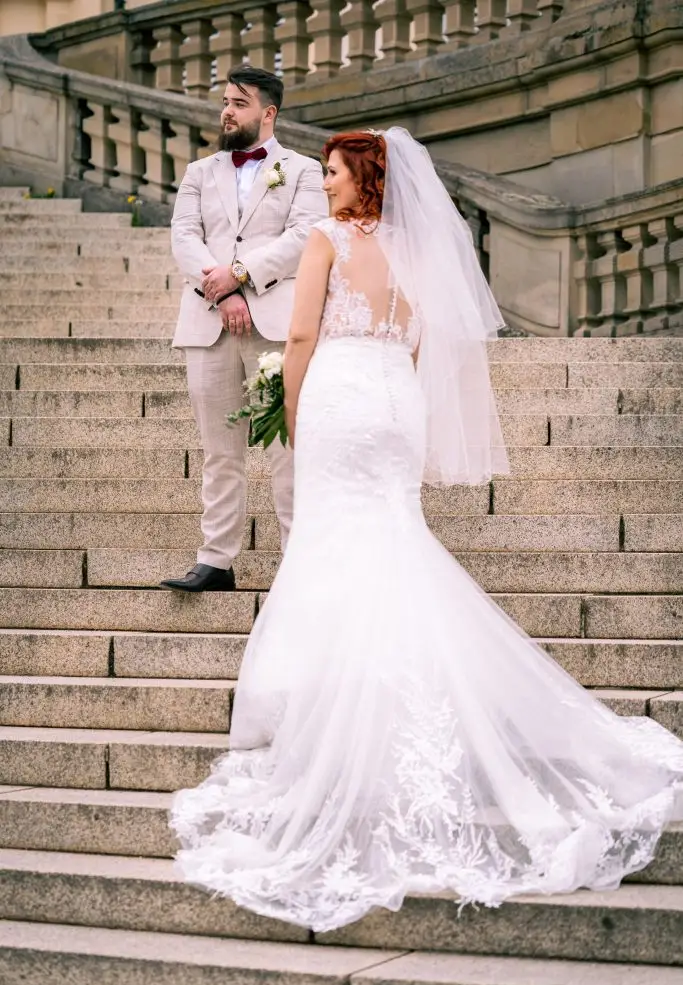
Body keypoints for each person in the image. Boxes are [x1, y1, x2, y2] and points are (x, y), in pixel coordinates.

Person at [170, 128, 683, 932]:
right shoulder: (418, 249)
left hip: (339, 393)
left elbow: (299, 335)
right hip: (394, 404)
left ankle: (318, 697)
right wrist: (387, 396)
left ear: (358, 179)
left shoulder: (325, 239)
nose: (326, 183)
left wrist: (296, 408)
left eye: (334, 172)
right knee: (391, 540)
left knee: (333, 541)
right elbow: (417, 343)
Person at [161, 66, 327, 593]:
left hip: (276, 327)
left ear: (268, 113)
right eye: (225, 101)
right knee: (219, 449)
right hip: (208, 324)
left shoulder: (302, 170)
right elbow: (185, 236)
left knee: (287, 449)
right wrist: (226, 289)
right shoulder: (198, 172)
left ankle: (299, 560)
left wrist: (242, 275)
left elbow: (305, 234)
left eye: (239, 102)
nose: (227, 111)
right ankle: (215, 560)